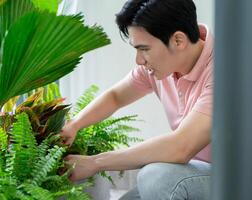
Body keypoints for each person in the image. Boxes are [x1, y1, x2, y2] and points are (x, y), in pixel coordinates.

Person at [61, 0, 213, 199]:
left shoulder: (225, 71)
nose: (139, 60)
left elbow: (180, 147)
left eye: (144, 49)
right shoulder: (162, 67)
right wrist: (74, 125)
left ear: (178, 40)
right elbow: (116, 97)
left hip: (235, 178)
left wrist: (95, 162)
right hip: (191, 172)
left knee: (156, 177)